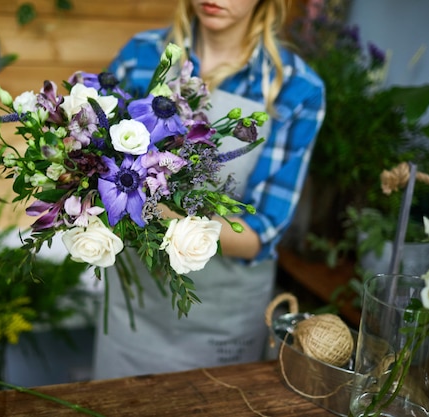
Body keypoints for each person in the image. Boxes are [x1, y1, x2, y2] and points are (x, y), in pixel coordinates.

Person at [92, 0, 325, 380]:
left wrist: (167, 217)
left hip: (220, 320)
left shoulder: (296, 89)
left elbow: (260, 233)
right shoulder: (142, 55)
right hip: (132, 316)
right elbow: (98, 156)